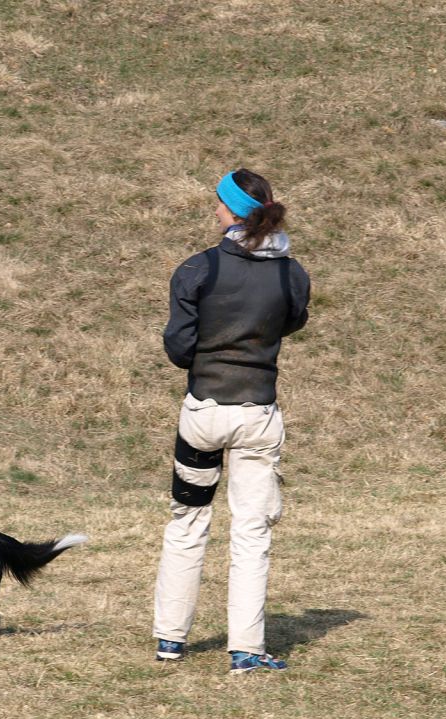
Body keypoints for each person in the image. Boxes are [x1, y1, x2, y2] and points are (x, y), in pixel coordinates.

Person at [152, 168, 310, 674]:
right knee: (251, 532)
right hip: (258, 415)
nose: (214, 209)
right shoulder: (292, 273)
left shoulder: (197, 269)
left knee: (187, 521)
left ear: (231, 210)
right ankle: (246, 650)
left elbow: (179, 347)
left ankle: (170, 640)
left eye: (218, 202)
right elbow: (293, 321)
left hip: (202, 413)